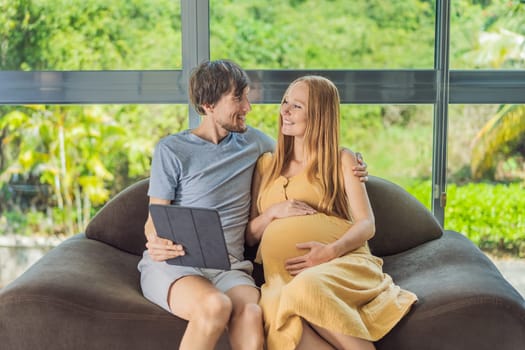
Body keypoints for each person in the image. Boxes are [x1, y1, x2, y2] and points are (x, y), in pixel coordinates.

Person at [137, 60, 370, 350]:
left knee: (252, 312)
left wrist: (355, 159)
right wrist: (154, 239)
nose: (248, 106)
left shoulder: (255, 143)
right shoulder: (172, 150)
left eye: (247, 96)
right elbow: (154, 216)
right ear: (209, 104)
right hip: (178, 263)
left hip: (229, 267)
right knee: (216, 305)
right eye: (238, 98)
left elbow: (307, 148)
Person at [246, 75, 418, 350]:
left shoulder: (342, 160)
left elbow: (366, 224)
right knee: (283, 318)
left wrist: (329, 252)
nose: (285, 111)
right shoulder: (266, 165)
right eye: (285, 102)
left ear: (319, 115)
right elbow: (250, 236)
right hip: (280, 278)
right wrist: (272, 213)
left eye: (297, 106)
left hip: (339, 264)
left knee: (305, 288)